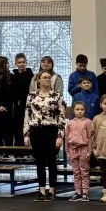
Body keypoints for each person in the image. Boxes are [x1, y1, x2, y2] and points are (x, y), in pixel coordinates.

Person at [23, 71, 66, 202]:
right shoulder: (31, 96)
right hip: (36, 130)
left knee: (52, 160)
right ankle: (41, 190)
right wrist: (26, 134)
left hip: (51, 130)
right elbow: (27, 115)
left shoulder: (57, 96)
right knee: (40, 161)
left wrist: (60, 136)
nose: (47, 79)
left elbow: (61, 117)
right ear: (38, 80)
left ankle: (52, 190)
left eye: (49, 77)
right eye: (44, 77)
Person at [64, 101, 94, 202]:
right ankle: (78, 192)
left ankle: (85, 192)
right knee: (76, 172)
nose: (80, 111)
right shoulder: (69, 123)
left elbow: (90, 137)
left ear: (85, 110)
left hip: (84, 149)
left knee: (84, 171)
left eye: (82, 109)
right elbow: (66, 138)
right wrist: (67, 151)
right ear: (73, 110)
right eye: (77, 109)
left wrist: (90, 151)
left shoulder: (88, 122)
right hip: (72, 150)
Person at [11, 54, 35, 141]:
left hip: (28, 104)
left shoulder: (31, 76)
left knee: (28, 124)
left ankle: (28, 145)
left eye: (23, 62)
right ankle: (18, 146)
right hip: (17, 106)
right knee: (18, 126)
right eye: (19, 62)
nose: (21, 64)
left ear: (26, 63)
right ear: (16, 63)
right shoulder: (13, 76)